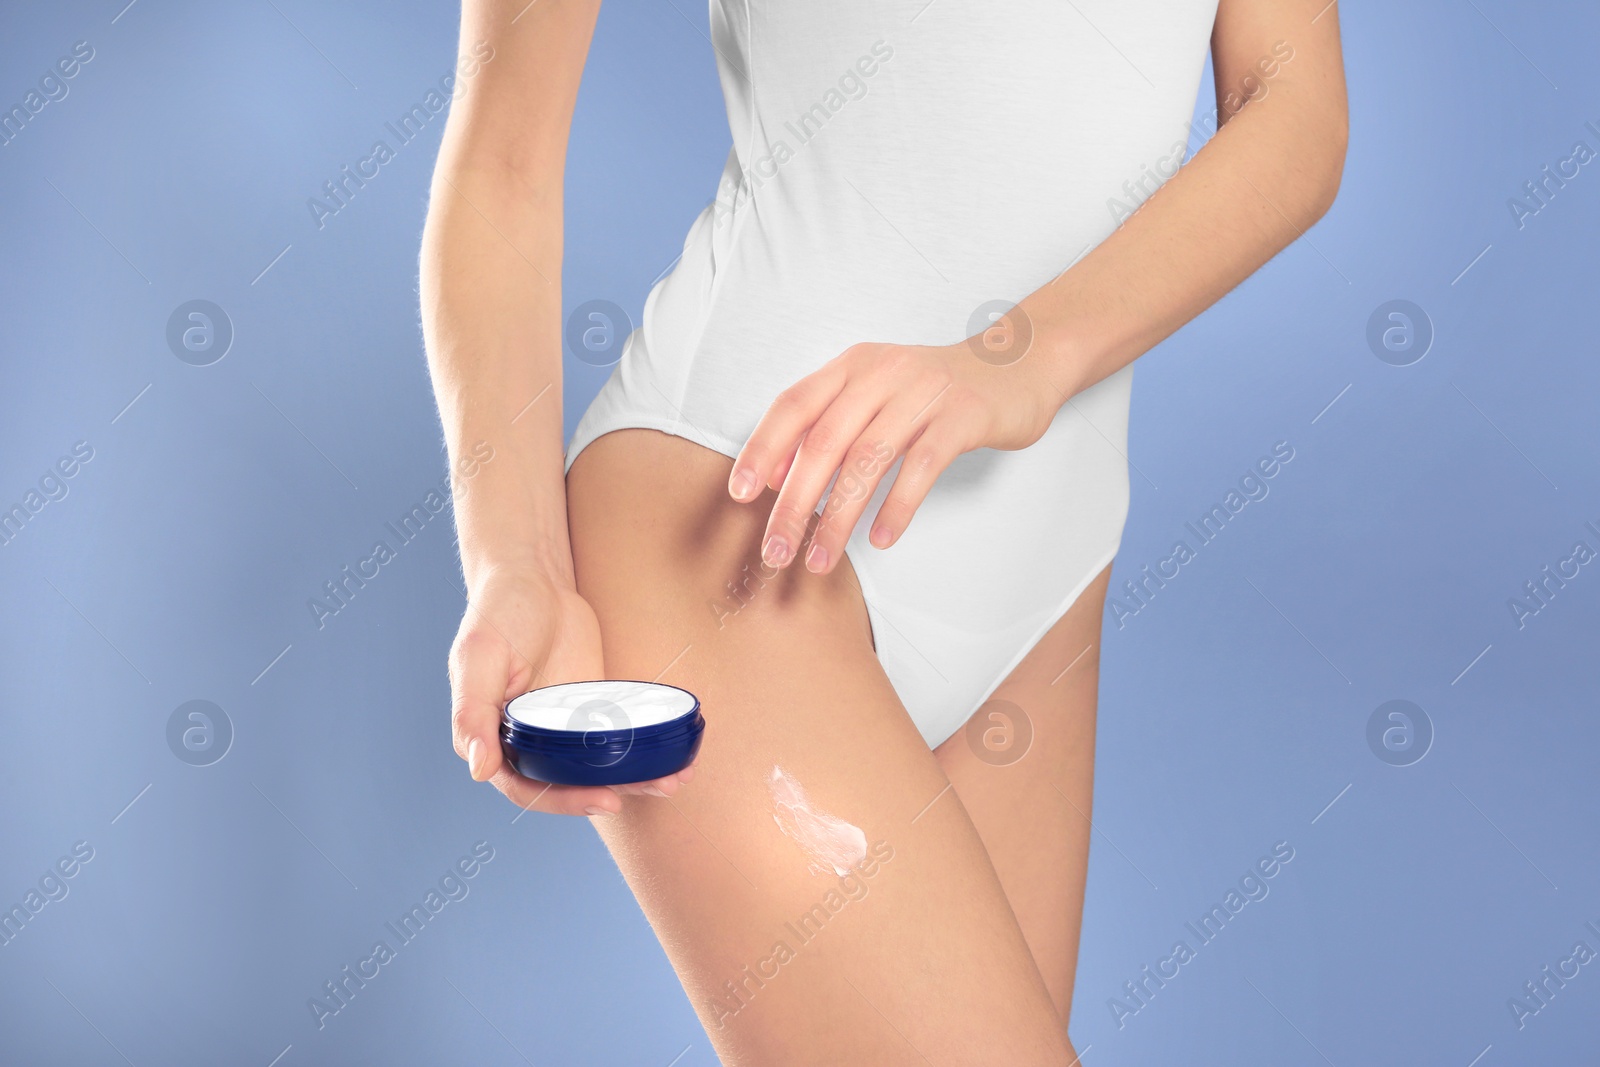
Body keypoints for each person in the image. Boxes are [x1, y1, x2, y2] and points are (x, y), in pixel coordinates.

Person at [421, 0, 1346, 1061]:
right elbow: (503, 165)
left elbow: (1293, 108)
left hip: (1041, 570)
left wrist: (1024, 355)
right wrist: (519, 561)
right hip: (741, 521)